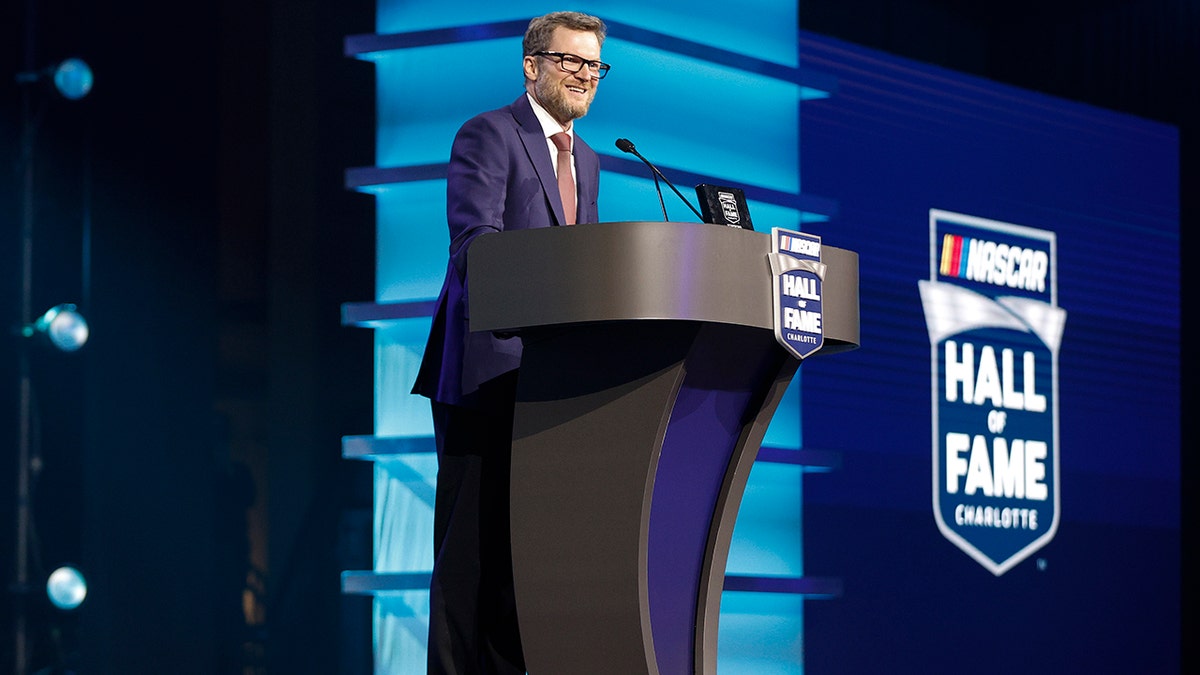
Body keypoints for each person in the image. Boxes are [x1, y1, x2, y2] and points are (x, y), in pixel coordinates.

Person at [410, 11, 609, 675]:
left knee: (523, 566)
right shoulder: (490, 133)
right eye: (571, 61)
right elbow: (475, 247)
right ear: (532, 66)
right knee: (470, 558)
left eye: (595, 66)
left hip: (552, 387)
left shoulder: (591, 159)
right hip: (486, 374)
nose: (585, 76)